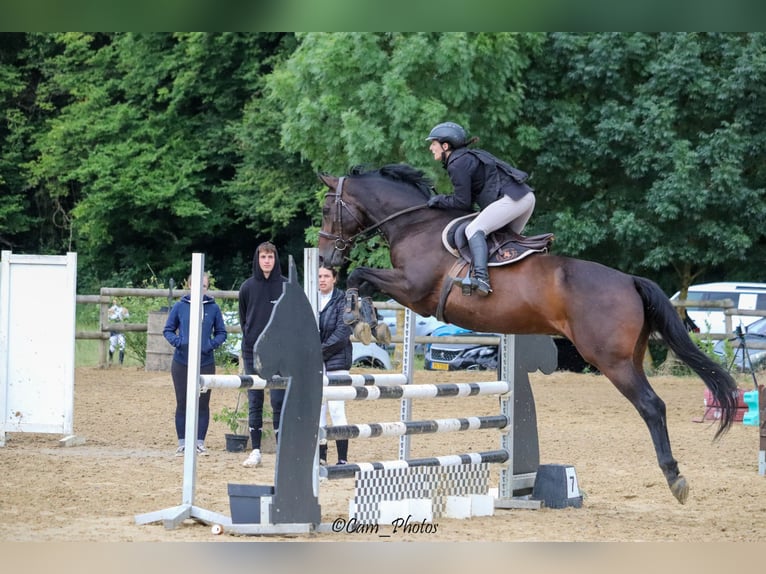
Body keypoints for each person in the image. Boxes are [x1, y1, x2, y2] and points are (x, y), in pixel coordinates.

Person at [425, 121, 536, 297]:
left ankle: (481, 279)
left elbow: (463, 203)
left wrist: (439, 200)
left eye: (433, 143)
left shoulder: (457, 163)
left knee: (473, 229)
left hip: (513, 199)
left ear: (445, 145)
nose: (431, 147)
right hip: (523, 198)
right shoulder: (465, 157)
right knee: (500, 244)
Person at [163, 272, 227, 457]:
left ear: (207, 288)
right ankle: (182, 443)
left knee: (203, 403)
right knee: (182, 402)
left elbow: (221, 332)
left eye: (204, 286)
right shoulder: (180, 306)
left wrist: (210, 345)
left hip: (205, 362)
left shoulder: (213, 308)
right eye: (197, 285)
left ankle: (199, 442)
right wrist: (179, 342)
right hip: (182, 361)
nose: (201, 289)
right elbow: (168, 329)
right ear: (190, 285)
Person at [239, 241, 287, 468]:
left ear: (275, 259)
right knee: (255, 400)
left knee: (278, 400)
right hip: (252, 351)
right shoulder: (247, 287)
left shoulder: (286, 286)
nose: (267, 261)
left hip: (279, 351)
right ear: (257, 260)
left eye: (270, 257)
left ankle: (281, 451)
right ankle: (256, 450)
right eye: (263, 257)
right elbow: (244, 319)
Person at [317, 264, 352, 466]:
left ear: (334, 279)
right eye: (320, 276)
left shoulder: (343, 301)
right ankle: (321, 456)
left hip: (337, 359)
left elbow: (342, 332)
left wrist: (318, 351)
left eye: (326, 276)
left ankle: (342, 458)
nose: (322, 280)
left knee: (337, 409)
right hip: (316, 362)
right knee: (319, 409)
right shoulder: (312, 299)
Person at [108, 298, 130, 365]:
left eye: (119, 300)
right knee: (112, 346)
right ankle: (110, 360)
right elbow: (110, 318)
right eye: (115, 300)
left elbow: (128, 317)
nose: (116, 301)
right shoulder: (111, 309)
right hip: (113, 330)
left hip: (121, 330)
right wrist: (112, 313)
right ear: (113, 301)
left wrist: (125, 313)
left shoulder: (124, 309)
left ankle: (120, 363)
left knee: (122, 344)